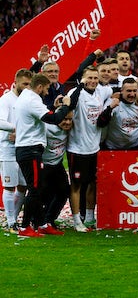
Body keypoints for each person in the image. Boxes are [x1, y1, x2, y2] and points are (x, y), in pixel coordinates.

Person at [14, 73, 75, 237]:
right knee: (34, 190)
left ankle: (41, 224)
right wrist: (65, 107)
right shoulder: (32, 100)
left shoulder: (26, 95)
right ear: (40, 87)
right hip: (30, 149)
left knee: (38, 188)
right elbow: (54, 118)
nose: (48, 93)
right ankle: (25, 226)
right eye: (47, 89)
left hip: (27, 148)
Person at [66, 66, 113, 232]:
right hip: (77, 149)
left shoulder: (101, 92)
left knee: (93, 183)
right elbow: (69, 104)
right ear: (82, 79)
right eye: (89, 78)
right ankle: (77, 220)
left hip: (94, 148)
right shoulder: (76, 93)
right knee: (76, 186)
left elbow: (117, 88)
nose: (93, 81)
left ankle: (90, 217)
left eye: (95, 78)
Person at [0, 68, 32, 233]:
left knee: (23, 186)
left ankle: (14, 218)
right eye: (24, 84)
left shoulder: (27, 101)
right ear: (16, 82)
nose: (27, 87)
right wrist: (18, 129)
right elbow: (0, 122)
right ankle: (11, 222)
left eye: (29, 84)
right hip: (7, 149)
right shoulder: (6, 100)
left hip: (22, 148)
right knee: (9, 186)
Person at [41, 111, 74, 234]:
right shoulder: (46, 127)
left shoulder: (71, 128)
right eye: (64, 119)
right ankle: (37, 220)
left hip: (57, 164)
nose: (67, 122)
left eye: (70, 119)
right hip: (44, 164)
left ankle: (49, 219)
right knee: (42, 194)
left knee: (64, 190)